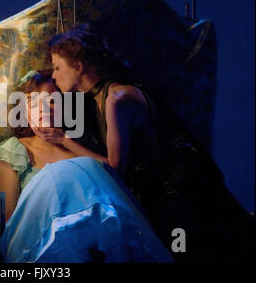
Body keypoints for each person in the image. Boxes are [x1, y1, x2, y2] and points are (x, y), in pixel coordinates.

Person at [40, 24, 254, 263]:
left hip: (183, 192)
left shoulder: (116, 99)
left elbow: (114, 166)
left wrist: (63, 140)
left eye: (58, 67)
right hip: (168, 191)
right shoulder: (99, 99)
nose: (54, 76)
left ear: (79, 66)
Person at [0, 69, 174, 263]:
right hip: (42, 245)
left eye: (52, 101)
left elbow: (111, 178)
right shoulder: (16, 150)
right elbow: (11, 218)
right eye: (34, 103)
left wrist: (65, 140)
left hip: (99, 243)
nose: (44, 108)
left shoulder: (77, 149)